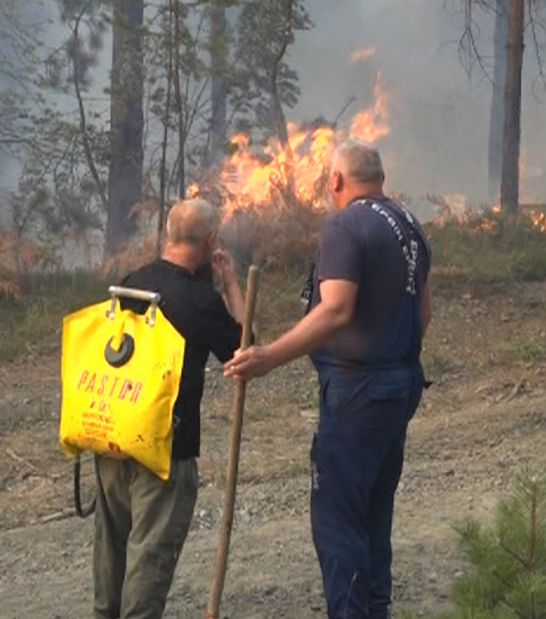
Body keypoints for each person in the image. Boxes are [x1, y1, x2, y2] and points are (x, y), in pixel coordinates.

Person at [223, 141, 433, 619]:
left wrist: (268, 356)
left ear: (336, 181)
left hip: (358, 393)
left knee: (338, 522)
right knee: (374, 515)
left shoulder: (345, 224)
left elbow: (336, 309)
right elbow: (423, 313)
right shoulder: (410, 225)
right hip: (399, 386)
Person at [93, 198, 250, 619]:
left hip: (113, 434)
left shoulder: (131, 282)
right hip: (165, 449)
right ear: (211, 241)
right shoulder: (199, 299)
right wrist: (231, 284)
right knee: (149, 559)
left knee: (111, 552)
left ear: (166, 234)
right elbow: (246, 354)